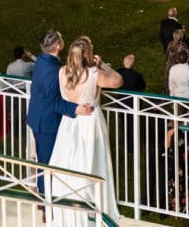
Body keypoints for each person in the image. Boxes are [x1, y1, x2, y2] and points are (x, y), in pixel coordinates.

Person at [49, 35, 123, 225]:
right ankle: (94, 210)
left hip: (69, 121)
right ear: (88, 54)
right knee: (93, 163)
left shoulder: (62, 72)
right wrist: (103, 65)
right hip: (90, 122)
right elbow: (117, 81)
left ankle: (68, 209)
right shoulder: (93, 74)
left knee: (70, 163)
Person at [26, 30, 93, 194]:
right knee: (48, 164)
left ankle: (47, 198)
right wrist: (76, 108)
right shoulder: (51, 70)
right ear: (57, 46)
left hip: (38, 117)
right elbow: (53, 100)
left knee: (44, 162)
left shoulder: (43, 59)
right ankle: (46, 203)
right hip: (47, 123)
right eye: (61, 38)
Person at [164, 28, 189, 93]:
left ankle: (167, 97)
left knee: (168, 83)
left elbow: (166, 55)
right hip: (180, 68)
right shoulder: (184, 47)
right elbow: (187, 58)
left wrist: (167, 62)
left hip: (170, 67)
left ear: (173, 36)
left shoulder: (170, 44)